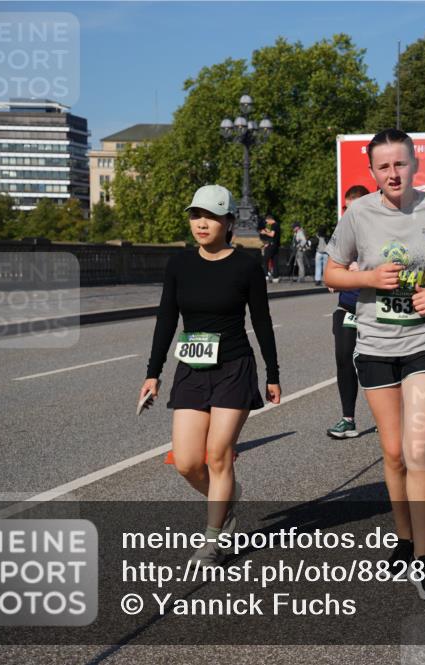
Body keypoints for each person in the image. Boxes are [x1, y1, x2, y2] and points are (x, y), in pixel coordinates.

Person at [324, 129, 425, 602]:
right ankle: (405, 538)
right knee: (392, 453)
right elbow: (330, 272)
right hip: (374, 344)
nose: (393, 173)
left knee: (417, 447)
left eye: (400, 164)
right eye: (383, 166)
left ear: (414, 165)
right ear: (372, 172)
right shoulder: (358, 214)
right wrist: (367, 276)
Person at [140, 184, 281, 566]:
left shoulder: (245, 265)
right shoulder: (180, 265)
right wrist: (153, 373)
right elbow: (166, 319)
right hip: (191, 368)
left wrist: (273, 373)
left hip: (234, 367)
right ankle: (227, 499)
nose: (201, 223)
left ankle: (214, 538)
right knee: (187, 461)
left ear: (229, 222)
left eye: (211, 216)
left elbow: (262, 322)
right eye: (195, 215)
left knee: (219, 455)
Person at [326, 184, 370, 439]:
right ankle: (348, 419)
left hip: (374, 309)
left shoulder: (379, 233)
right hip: (347, 307)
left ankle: (392, 414)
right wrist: (336, 278)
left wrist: (362, 272)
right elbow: (331, 272)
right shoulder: (341, 235)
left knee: (375, 364)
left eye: (354, 209)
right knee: (344, 358)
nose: (349, 214)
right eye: (346, 208)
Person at [258, 214, 281, 283]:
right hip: (276, 245)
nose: (267, 223)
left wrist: (264, 232)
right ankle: (276, 277)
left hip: (271, 244)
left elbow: (272, 234)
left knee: (265, 259)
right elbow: (269, 231)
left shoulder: (274, 225)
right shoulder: (275, 225)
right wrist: (264, 231)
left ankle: (266, 276)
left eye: (267, 221)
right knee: (274, 261)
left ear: (270, 220)